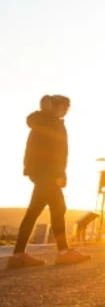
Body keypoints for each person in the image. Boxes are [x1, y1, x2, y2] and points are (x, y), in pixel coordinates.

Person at [7, 95, 90, 269]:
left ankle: (18, 255)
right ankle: (63, 252)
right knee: (58, 209)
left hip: (42, 174)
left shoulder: (43, 122)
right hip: (48, 174)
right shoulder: (49, 123)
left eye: (67, 106)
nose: (65, 109)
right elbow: (54, 152)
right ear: (52, 107)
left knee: (34, 212)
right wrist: (58, 174)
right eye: (62, 106)